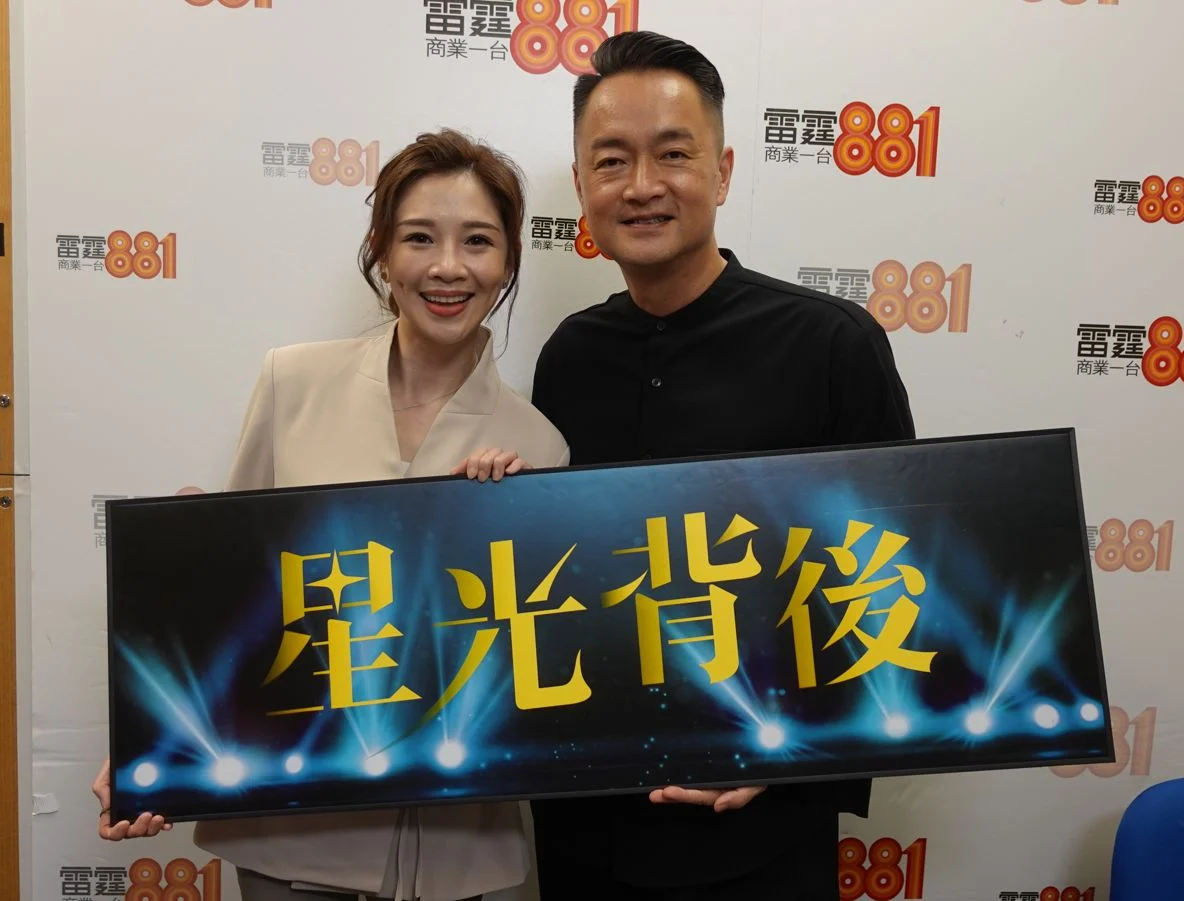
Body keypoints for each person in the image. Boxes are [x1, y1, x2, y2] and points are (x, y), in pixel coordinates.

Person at [90, 128, 570, 901]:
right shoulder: (294, 382)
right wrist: (154, 743)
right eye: (420, 237)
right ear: (382, 250)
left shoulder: (538, 444)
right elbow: (232, 606)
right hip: (290, 824)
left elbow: (533, 676)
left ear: (510, 260)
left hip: (461, 844)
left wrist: (501, 529)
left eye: (478, 240)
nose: (449, 266)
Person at [526, 31, 916, 901]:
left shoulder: (831, 345)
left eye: (673, 153)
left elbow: (893, 579)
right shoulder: (568, 357)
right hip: (587, 827)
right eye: (611, 160)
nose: (642, 185)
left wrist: (796, 752)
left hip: (759, 835)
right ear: (584, 185)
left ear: (725, 170)